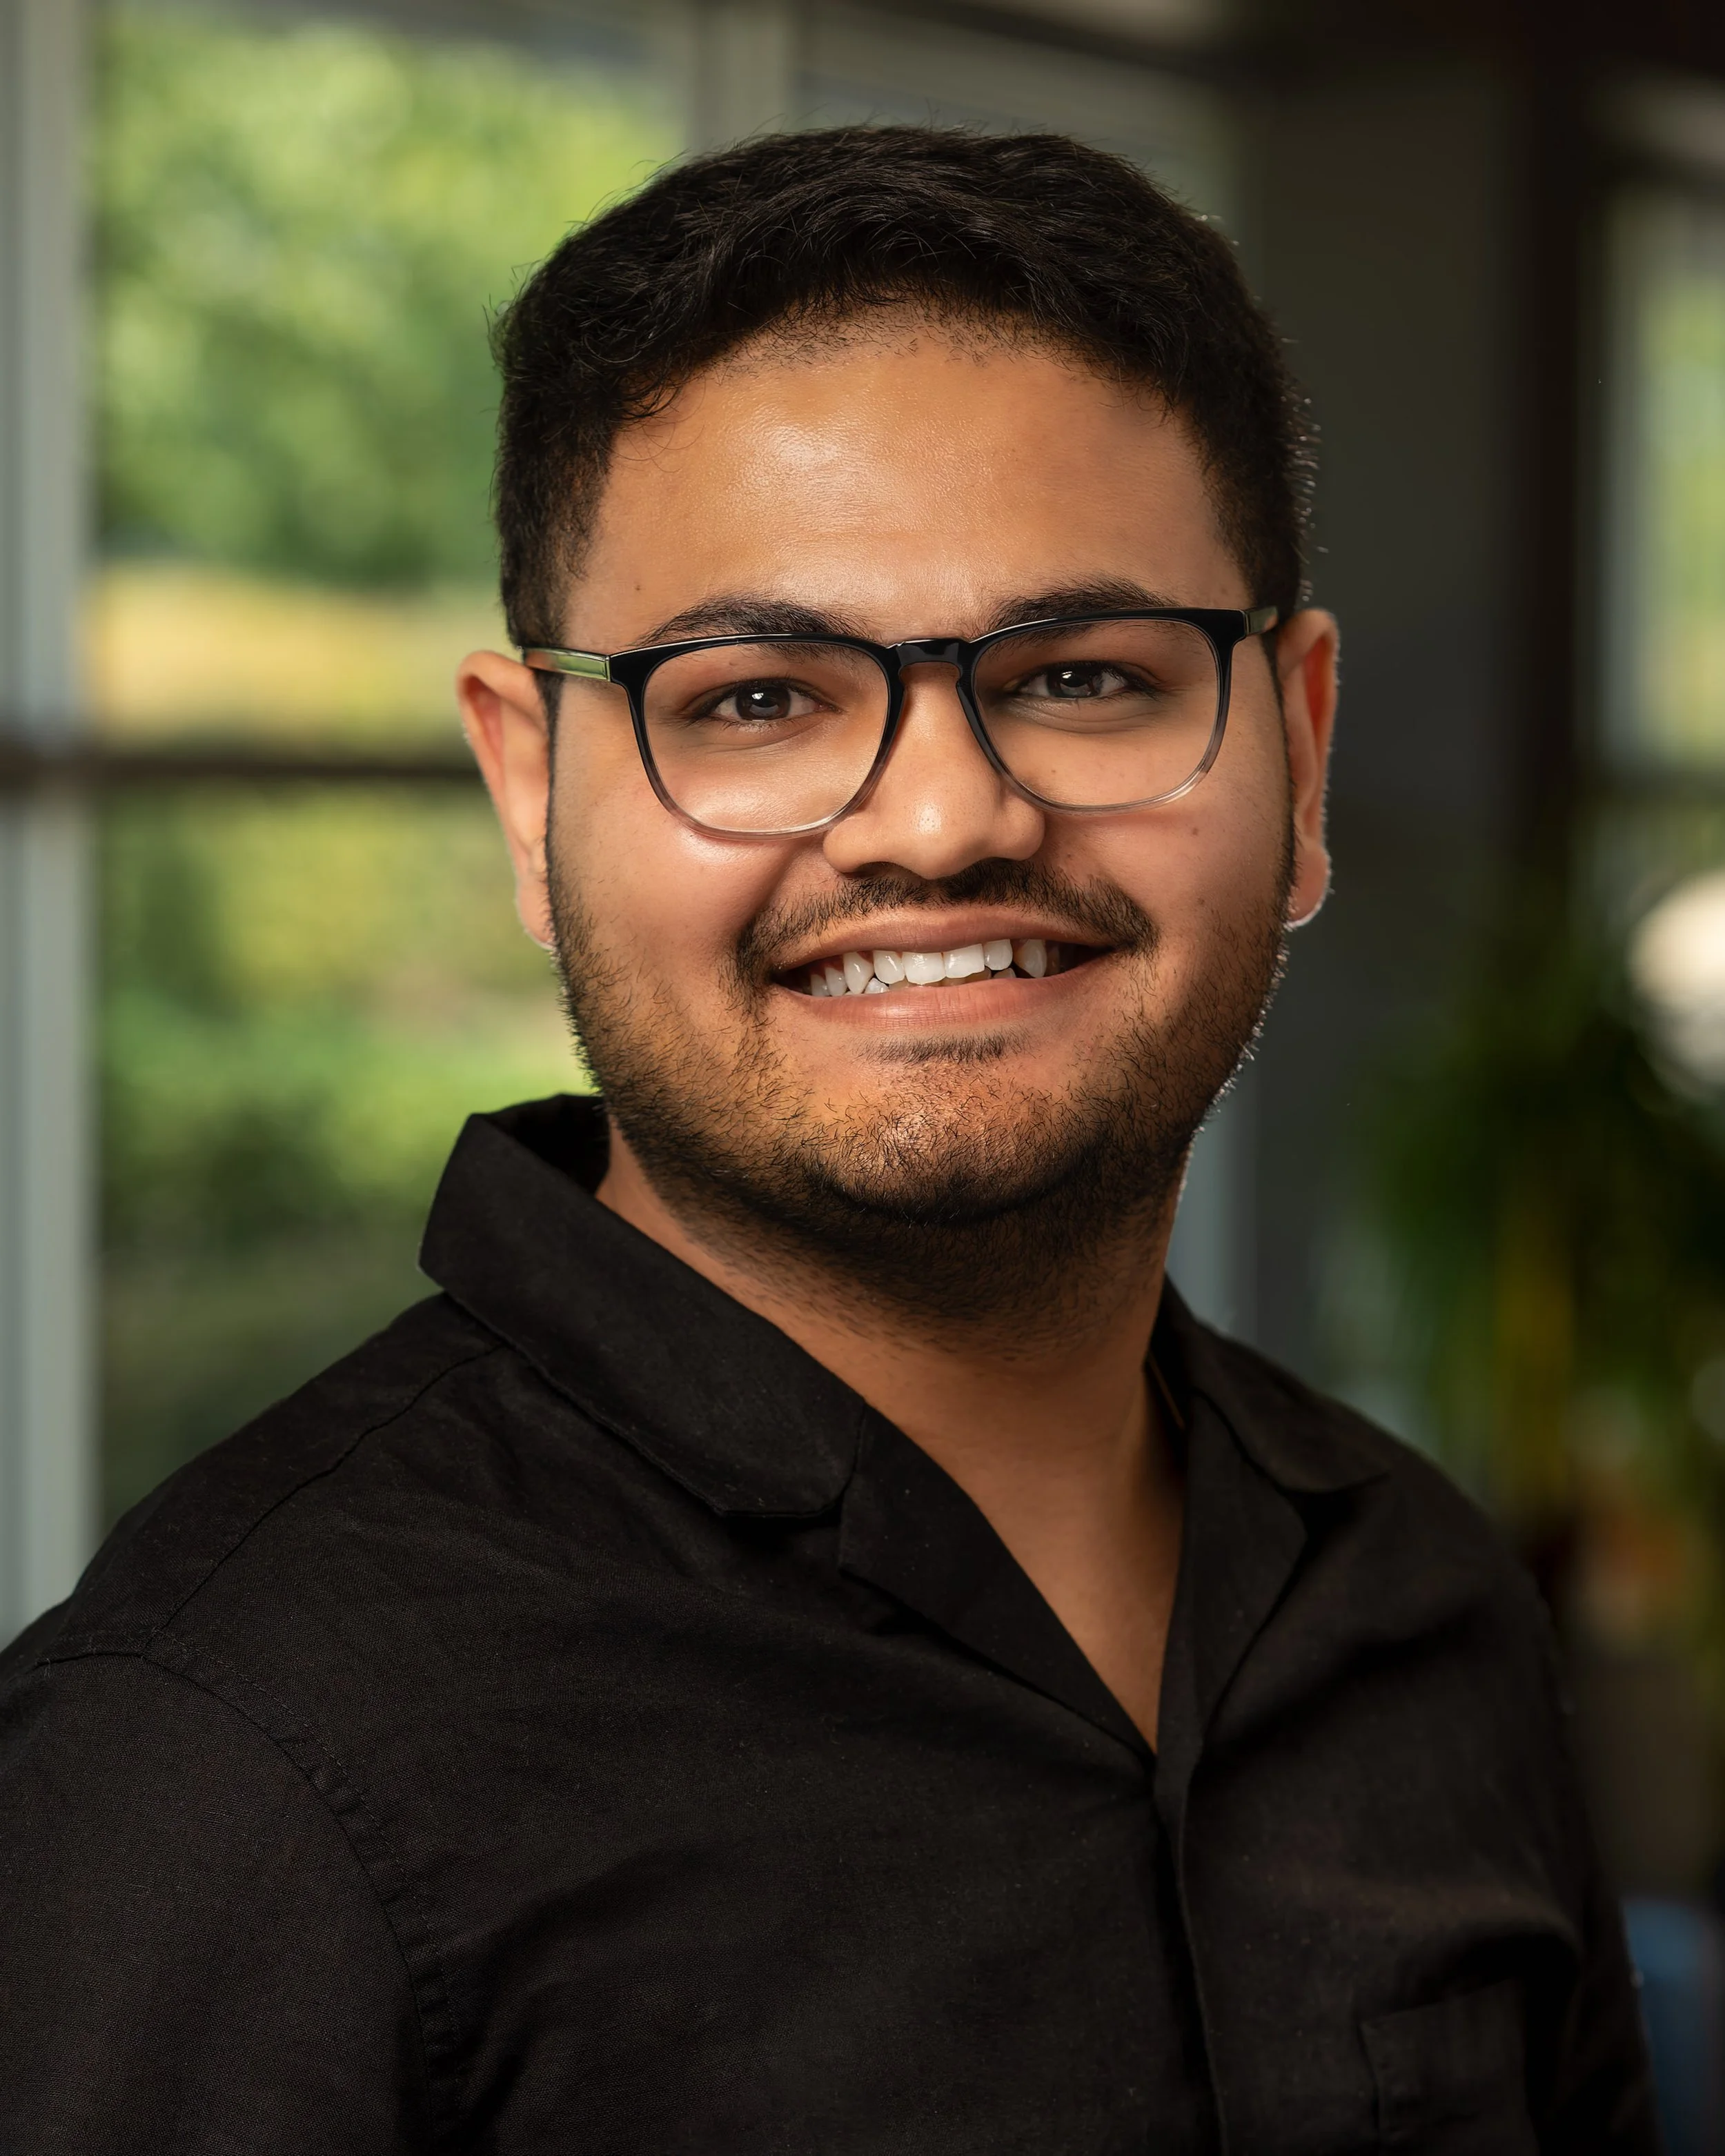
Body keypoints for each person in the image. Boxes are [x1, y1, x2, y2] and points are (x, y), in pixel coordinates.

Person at [0, 127, 1655, 2153]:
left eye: (1080, 675)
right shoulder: (226, 1750)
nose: (941, 818)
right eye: (758, 698)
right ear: (531, 799)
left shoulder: (1423, 1602)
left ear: (1295, 753)